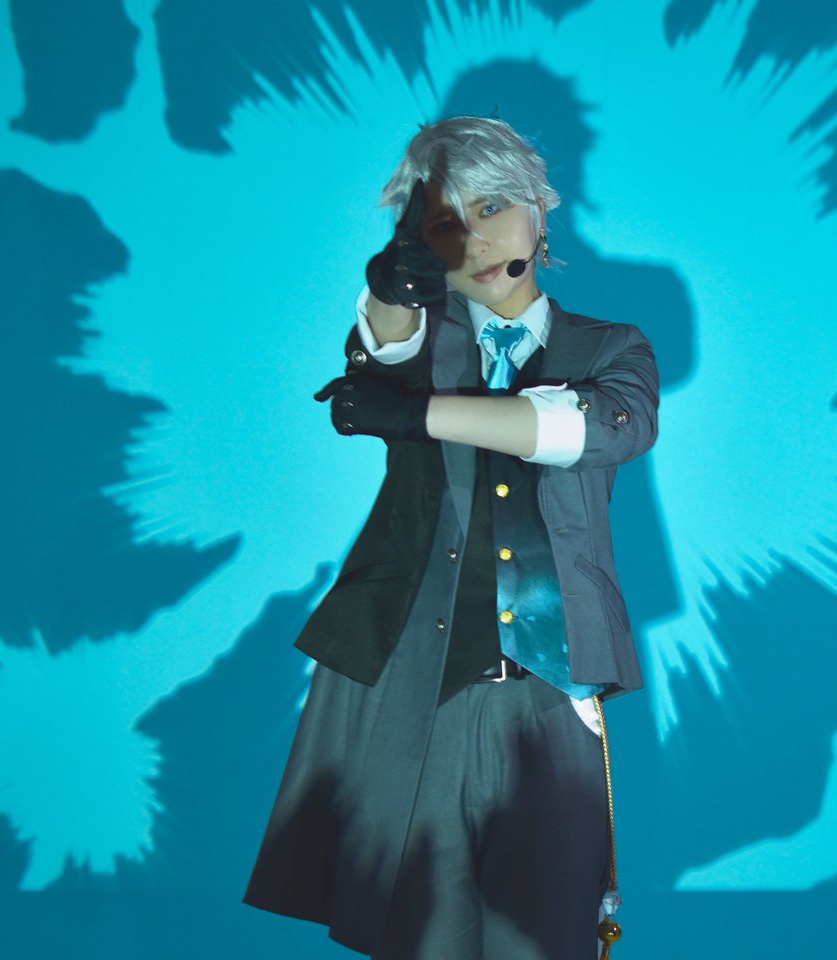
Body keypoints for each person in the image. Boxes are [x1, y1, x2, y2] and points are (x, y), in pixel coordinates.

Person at [243, 116, 658, 960]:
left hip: (553, 689)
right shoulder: (426, 346)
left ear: (540, 210)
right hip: (413, 679)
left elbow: (590, 427)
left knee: (553, 936)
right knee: (419, 931)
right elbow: (385, 347)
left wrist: (419, 417)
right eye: (444, 224)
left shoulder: (611, 347)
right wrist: (388, 289)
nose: (474, 239)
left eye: (493, 207)